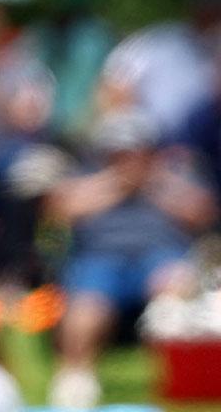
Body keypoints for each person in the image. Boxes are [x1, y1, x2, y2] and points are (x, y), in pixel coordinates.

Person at [44, 108, 217, 409]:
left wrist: (154, 184)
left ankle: (185, 379)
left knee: (176, 283)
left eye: (137, 152)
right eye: (120, 152)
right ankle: (75, 378)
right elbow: (59, 210)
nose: (129, 159)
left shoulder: (176, 173)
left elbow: (202, 212)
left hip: (161, 258)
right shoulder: (87, 175)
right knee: (88, 306)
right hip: (99, 262)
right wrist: (116, 184)